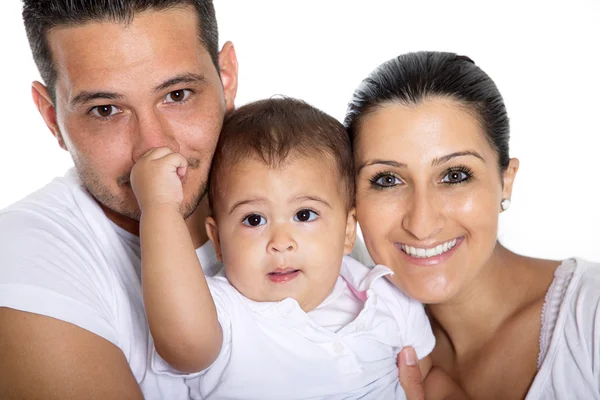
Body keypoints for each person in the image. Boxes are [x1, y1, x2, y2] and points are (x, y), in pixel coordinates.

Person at [0, 1, 238, 398]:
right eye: (106, 110)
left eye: (178, 94)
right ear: (50, 116)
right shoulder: (23, 253)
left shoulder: (312, 196)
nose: (153, 146)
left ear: (226, 79)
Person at [131, 97, 437, 399]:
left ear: (347, 230)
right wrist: (160, 208)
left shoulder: (387, 295)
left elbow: (425, 377)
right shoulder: (222, 314)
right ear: (218, 240)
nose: (280, 242)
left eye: (304, 215)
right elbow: (182, 342)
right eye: (253, 219)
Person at [345, 51, 600, 399]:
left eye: (454, 175)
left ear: (505, 181)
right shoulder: (347, 333)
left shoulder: (591, 316)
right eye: (387, 179)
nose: (422, 223)